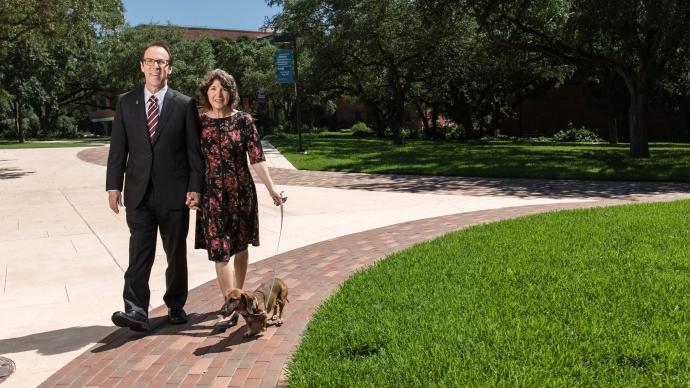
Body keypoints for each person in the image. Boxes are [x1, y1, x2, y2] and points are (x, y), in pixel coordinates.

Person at [106, 41, 203, 331]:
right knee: (139, 253)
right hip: (138, 193)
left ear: (169, 68)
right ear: (141, 66)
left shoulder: (184, 104)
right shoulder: (126, 102)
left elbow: (193, 153)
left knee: (175, 254)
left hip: (175, 194)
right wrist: (114, 186)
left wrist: (195, 187)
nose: (155, 67)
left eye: (161, 62)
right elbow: (118, 149)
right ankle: (135, 310)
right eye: (150, 61)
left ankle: (175, 304)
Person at [192, 69, 282, 329]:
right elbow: (191, 161)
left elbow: (257, 158)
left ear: (231, 92)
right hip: (212, 195)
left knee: (240, 248)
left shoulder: (244, 121)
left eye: (223, 89)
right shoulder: (199, 122)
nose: (218, 94)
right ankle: (230, 306)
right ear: (206, 92)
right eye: (212, 89)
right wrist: (191, 190)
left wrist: (271, 189)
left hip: (241, 194)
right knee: (220, 253)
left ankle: (238, 297)